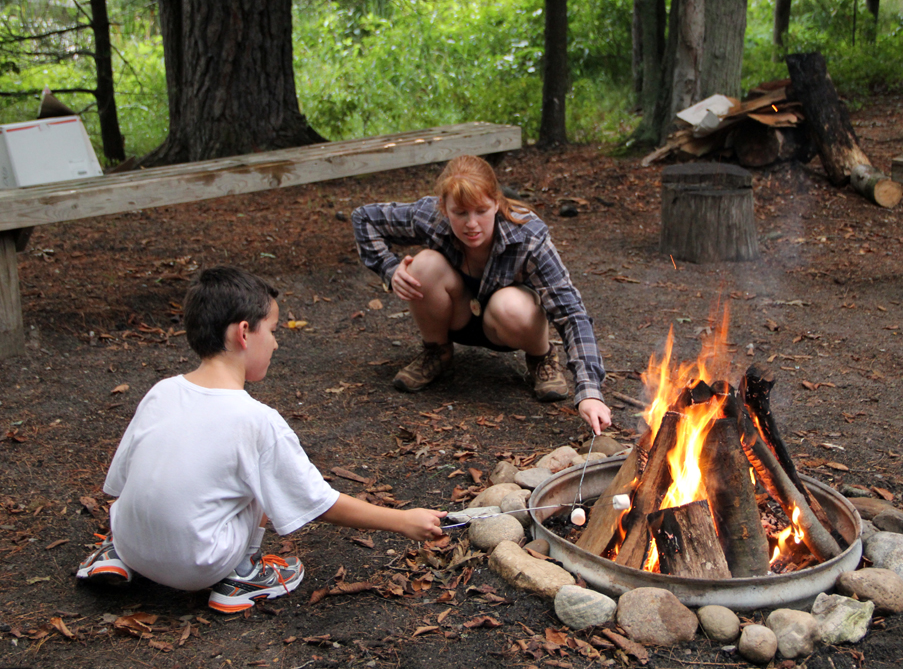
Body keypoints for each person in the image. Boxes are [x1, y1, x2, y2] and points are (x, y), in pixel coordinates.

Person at [76, 266, 444, 612]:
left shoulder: (161, 391)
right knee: (263, 474)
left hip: (131, 543)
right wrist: (402, 521)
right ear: (243, 333)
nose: (277, 344)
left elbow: (120, 483)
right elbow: (319, 502)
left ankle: (111, 555)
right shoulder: (256, 420)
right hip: (198, 566)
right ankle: (244, 575)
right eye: (273, 330)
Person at [351, 155, 612, 435]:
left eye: (481, 210)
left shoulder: (528, 235)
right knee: (422, 265)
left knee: (510, 305)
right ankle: (436, 352)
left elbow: (571, 313)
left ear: (497, 203)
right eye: (460, 213)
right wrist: (390, 270)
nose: (471, 223)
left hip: (508, 324)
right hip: (458, 314)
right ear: (444, 208)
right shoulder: (429, 216)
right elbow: (364, 218)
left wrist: (589, 391)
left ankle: (541, 359)